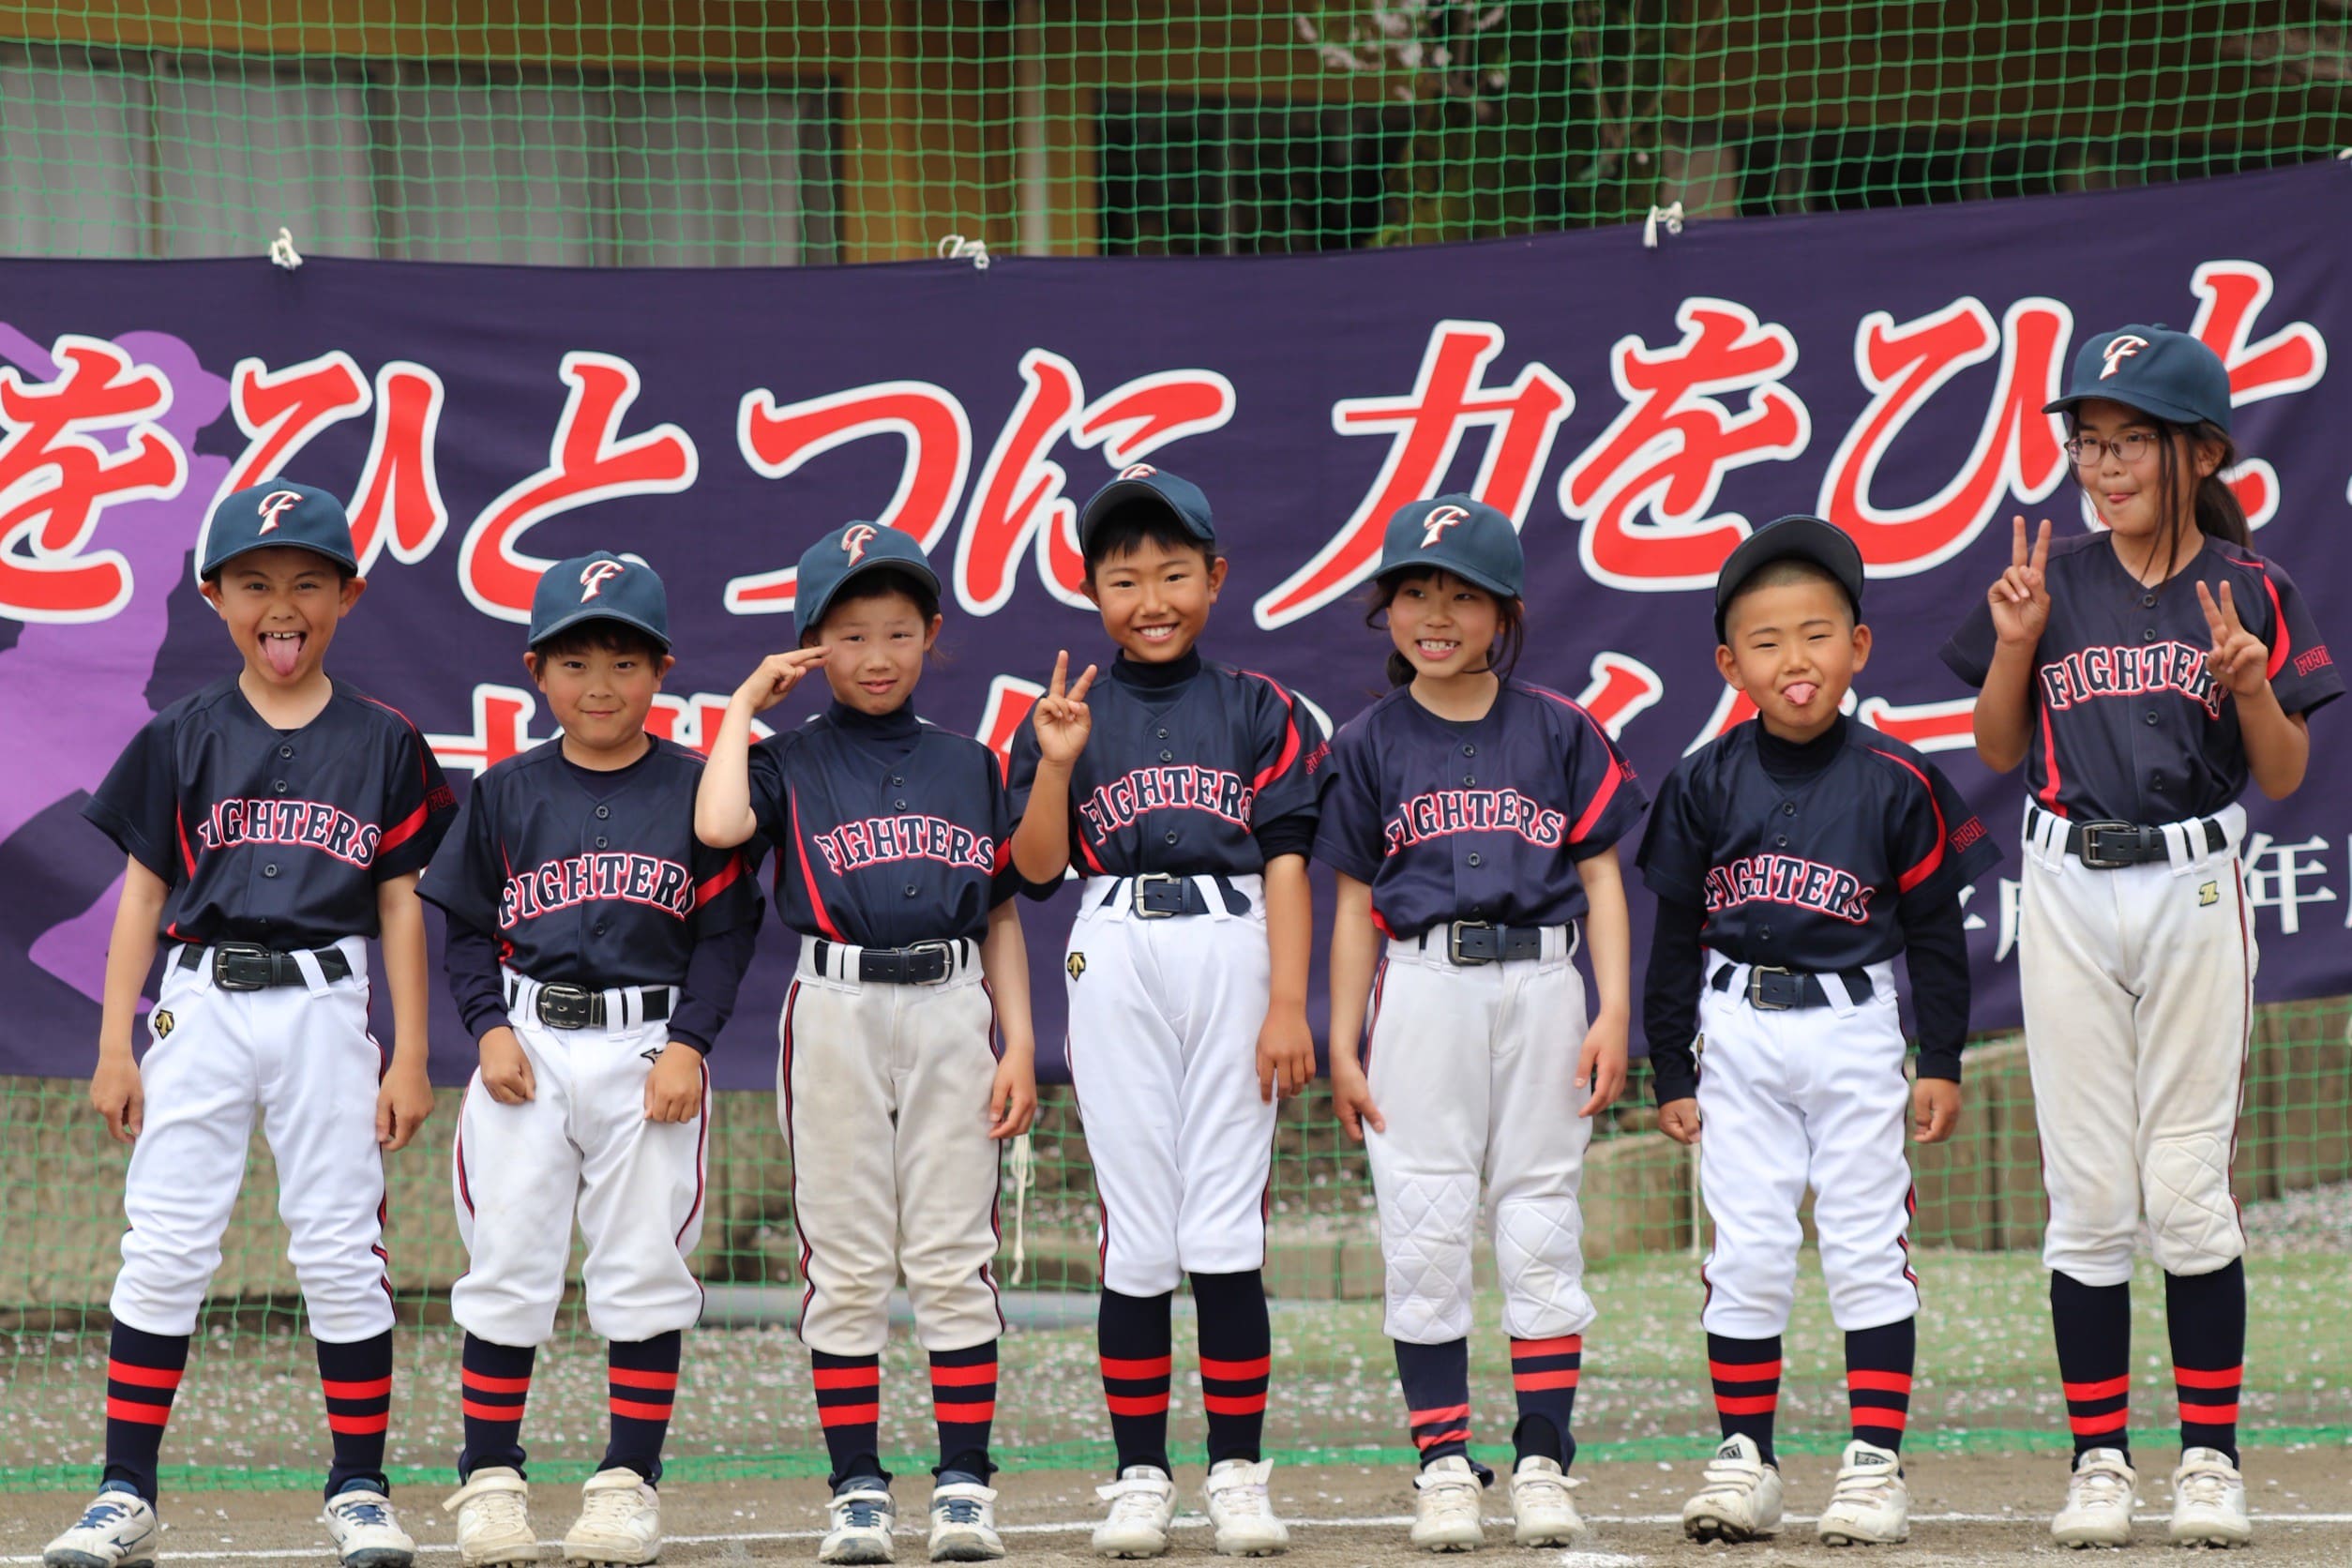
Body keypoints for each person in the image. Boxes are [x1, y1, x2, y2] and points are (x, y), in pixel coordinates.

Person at [1943, 325, 2340, 1549]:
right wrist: (2016, 645)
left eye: (2132, 442)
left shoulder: (2253, 584)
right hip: (2066, 883)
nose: (2104, 465)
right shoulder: (2049, 579)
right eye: (2088, 442)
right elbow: (1998, 748)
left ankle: (2210, 1461)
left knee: (2184, 1186)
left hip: (2194, 885)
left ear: (2202, 452)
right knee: (2089, 1192)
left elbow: (2285, 771)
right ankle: (2100, 1464)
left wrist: (2251, 684)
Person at [46, 481, 456, 1568]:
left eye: (308, 583)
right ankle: (124, 1490)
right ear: (215, 597)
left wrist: (412, 1055)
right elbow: (142, 895)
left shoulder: (383, 738)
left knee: (340, 1243)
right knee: (166, 1241)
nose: (283, 605)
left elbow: (401, 904)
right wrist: (113, 1043)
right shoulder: (182, 733)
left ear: (348, 596)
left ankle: (359, 1487)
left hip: (327, 999)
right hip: (201, 1000)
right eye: (256, 583)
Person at [1641, 515, 1999, 1546]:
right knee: (1747, 1249)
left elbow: (1936, 935)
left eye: (1816, 633)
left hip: (1853, 1029)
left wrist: (1941, 1059)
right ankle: (1745, 1459)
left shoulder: (1899, 777)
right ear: (1730, 664)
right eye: (1766, 641)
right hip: (1737, 1029)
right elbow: (1674, 936)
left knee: (1864, 1245)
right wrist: (1671, 1068)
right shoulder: (1704, 779)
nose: (1794, 660)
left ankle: (1874, 1462)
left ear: (1859, 645)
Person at [697, 522, 1038, 1566]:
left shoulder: (969, 762)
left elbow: (1001, 912)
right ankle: (856, 1487)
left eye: (897, 630)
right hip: (836, 1005)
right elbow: (718, 827)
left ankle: (965, 1485)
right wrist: (745, 707)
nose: (877, 655)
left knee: (953, 1254)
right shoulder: (789, 757)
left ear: (931, 634)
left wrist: (1020, 1041)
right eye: (849, 635)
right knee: (845, 1261)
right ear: (813, 647)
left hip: (953, 1003)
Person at [1316, 495, 1643, 1553]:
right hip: (1421, 986)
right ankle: (1444, 1463)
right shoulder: (1368, 742)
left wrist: (1613, 1007)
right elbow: (1354, 904)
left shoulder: (1560, 727)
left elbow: (1602, 877)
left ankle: (1543, 1458)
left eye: (1463, 595)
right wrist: (1341, 1040)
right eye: (1415, 592)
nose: (1437, 614)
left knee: (1542, 1225)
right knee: (1423, 1226)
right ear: (1388, 609)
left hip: (1545, 983)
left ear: (1505, 612)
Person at [423, 553, 761, 1566]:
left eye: (624, 661)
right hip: (527, 1040)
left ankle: (626, 1484)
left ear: (661, 671)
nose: (600, 684)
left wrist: (689, 1045)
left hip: (648, 1046)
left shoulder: (698, 790)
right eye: (574, 662)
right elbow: (467, 928)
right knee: (506, 1264)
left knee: (644, 1268)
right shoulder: (505, 789)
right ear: (537, 670)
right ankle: (491, 1480)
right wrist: (486, 1027)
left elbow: (725, 936)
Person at [1006, 465, 1319, 1560]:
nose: (1151, 598)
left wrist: (1290, 1001)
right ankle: (1140, 1472)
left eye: (1173, 573)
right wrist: (1055, 764)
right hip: (1114, 937)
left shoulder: (1260, 706)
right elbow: (1034, 870)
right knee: (1137, 1229)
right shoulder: (1067, 713)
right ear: (1092, 590)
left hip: (1235, 940)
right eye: (1125, 577)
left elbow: (1289, 860)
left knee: (1225, 1224)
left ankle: (1236, 1471)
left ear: (1215, 578)